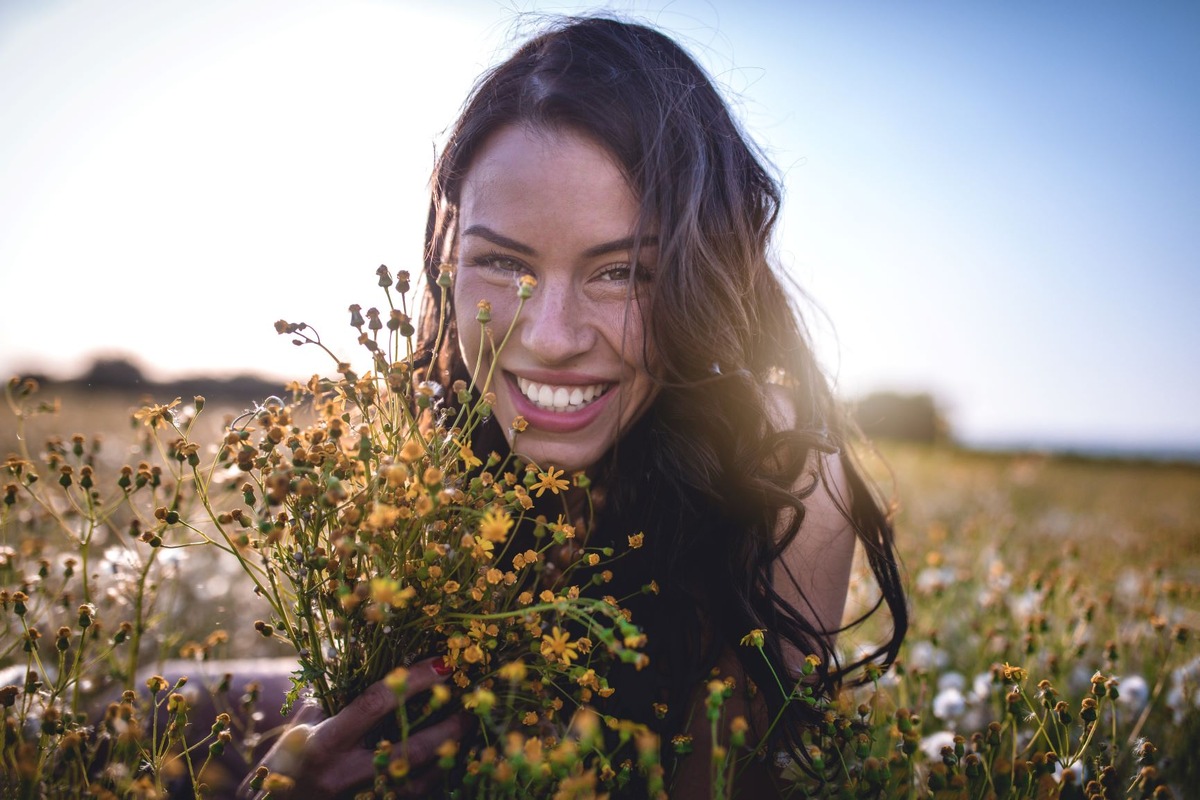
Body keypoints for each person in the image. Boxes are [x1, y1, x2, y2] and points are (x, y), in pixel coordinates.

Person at [234, 14, 907, 798]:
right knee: (151, 707)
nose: (550, 339)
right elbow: (350, 715)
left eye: (621, 273)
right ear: (451, 259)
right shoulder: (426, 432)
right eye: (500, 261)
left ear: (702, 276)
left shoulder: (780, 472)